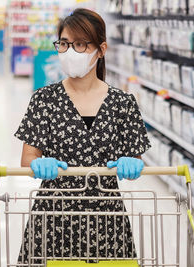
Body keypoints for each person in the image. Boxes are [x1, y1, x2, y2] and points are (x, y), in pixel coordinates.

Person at [14, 8, 151, 264]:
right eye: (64, 44)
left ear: (101, 49)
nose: (69, 52)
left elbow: (136, 156)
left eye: (79, 44)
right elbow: (28, 156)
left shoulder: (123, 103)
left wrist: (132, 163)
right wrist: (37, 163)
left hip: (107, 219)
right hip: (53, 216)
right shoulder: (44, 99)